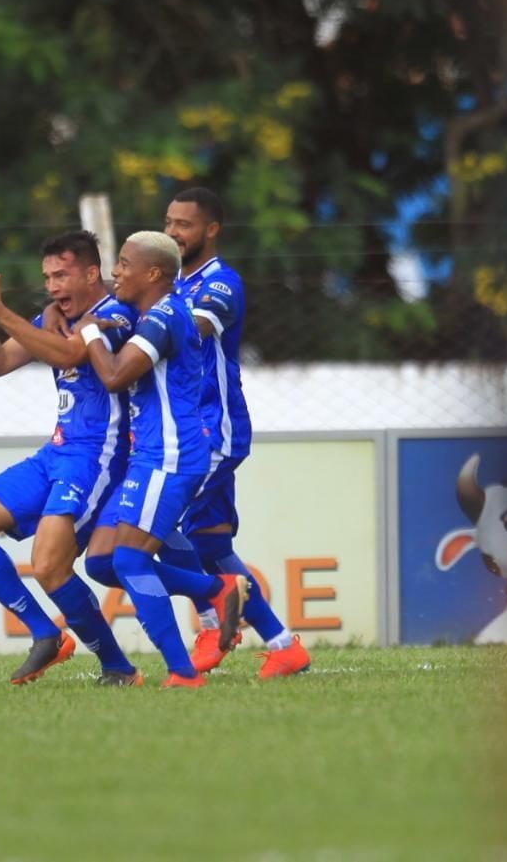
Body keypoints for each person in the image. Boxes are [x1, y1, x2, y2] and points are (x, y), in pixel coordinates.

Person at [0, 231, 140, 686]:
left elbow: (73, 351)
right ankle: (45, 633)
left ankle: (117, 667)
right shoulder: (52, 317)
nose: (53, 285)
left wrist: (2, 312)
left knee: (49, 565)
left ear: (92, 272)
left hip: (98, 456)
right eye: (47, 277)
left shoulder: (116, 313)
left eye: (62, 274)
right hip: (55, 452)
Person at [76, 232, 248, 688]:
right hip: (153, 457)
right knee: (101, 563)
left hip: (170, 456)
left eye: (124, 264)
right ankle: (217, 589)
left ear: (153, 273)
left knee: (130, 561)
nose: (116, 272)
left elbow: (113, 377)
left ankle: (182, 672)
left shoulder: (163, 318)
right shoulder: (156, 314)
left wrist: (88, 330)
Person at [164, 187, 311, 677]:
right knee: (211, 544)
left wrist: (128, 315)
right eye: (168, 223)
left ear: (211, 230)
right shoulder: (169, 287)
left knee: (150, 520)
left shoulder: (220, 284)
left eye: (184, 225)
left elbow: (191, 331)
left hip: (212, 431)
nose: (173, 233)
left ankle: (209, 624)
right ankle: (283, 644)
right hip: (182, 432)